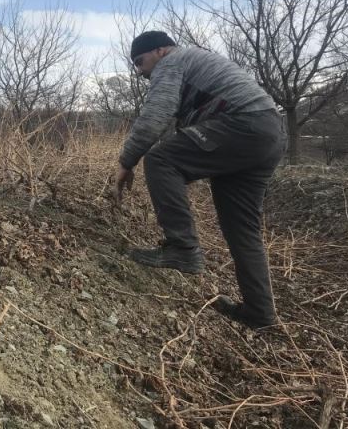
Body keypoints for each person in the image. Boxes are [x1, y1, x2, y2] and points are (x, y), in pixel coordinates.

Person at [112, 31, 285, 329]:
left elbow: (155, 115)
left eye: (140, 61)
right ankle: (261, 314)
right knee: (241, 227)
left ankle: (182, 249)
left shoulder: (173, 61)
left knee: (160, 159)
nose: (140, 71)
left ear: (162, 50)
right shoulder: (196, 64)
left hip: (244, 123)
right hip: (269, 132)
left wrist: (126, 162)